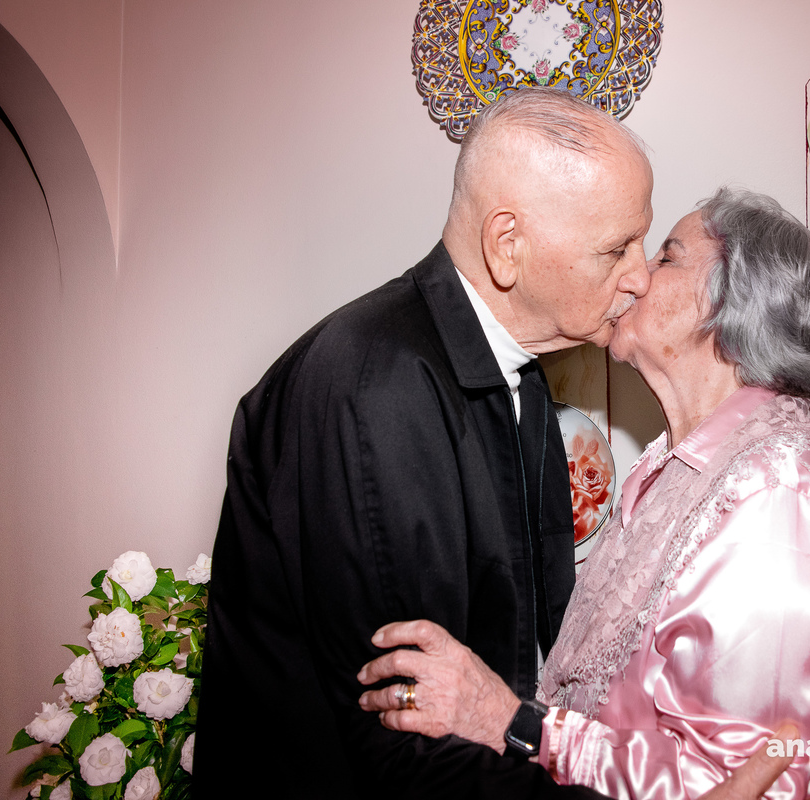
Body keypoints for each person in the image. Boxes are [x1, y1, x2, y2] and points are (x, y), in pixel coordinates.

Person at [357, 188, 810, 799]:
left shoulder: (778, 503)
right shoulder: (677, 463)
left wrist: (511, 721)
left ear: (728, 304)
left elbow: (740, 784)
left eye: (667, 256)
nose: (633, 277)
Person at [196, 87, 654, 797]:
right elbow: (405, 743)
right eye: (617, 248)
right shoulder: (376, 389)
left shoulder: (521, 377)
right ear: (508, 246)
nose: (641, 275)